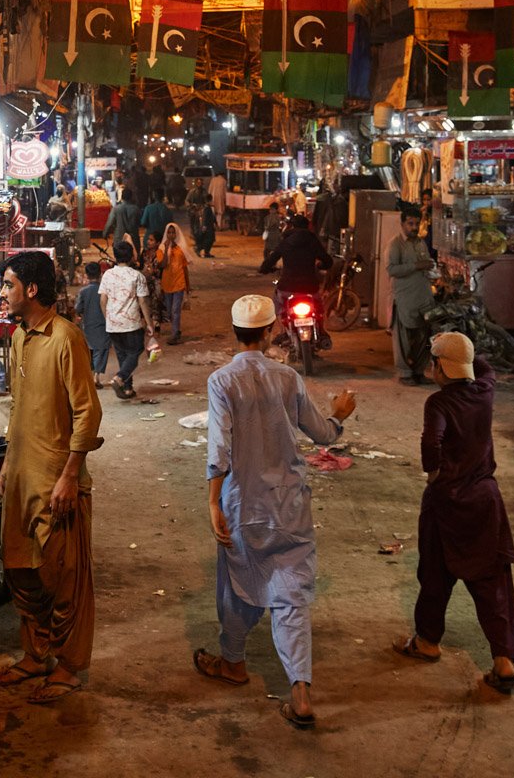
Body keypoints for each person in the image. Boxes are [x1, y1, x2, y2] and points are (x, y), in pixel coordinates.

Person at [193, 294, 355, 729]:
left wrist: (212, 501)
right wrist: (339, 416)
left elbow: (219, 447)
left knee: (239, 581)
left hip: (243, 503)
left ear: (235, 331)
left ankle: (233, 661)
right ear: (269, 332)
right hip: (290, 505)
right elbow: (321, 433)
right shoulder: (288, 377)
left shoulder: (221, 381)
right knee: (291, 595)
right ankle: (300, 689)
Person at [0, 251, 104, 704]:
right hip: (19, 478)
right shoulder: (18, 339)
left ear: (31, 290)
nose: (2, 293)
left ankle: (70, 666)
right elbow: (18, 407)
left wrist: (69, 476)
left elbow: (87, 413)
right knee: (22, 572)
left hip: (57, 481)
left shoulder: (66, 338)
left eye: (8, 284)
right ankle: (36, 656)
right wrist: (6, 468)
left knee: (64, 576)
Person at [396, 333, 514, 693]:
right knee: (491, 582)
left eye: (433, 361)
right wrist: (459, 348)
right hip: (485, 500)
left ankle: (427, 641)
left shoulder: (439, 403)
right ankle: (503, 661)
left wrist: (432, 472)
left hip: (447, 500)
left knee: (435, 571)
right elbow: (484, 366)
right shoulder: (485, 389)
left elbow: (431, 441)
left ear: (438, 367)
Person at [261, 213, 333, 343]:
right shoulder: (313, 241)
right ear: (307, 227)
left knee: (277, 303)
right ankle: (321, 331)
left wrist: (265, 269)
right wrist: (321, 265)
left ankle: (283, 331)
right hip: (310, 287)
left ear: (291, 226)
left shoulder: (285, 242)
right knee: (319, 308)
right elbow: (328, 261)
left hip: (287, 287)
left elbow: (269, 261)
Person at [99, 242, 156, 400]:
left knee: (122, 356)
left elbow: (103, 301)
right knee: (134, 352)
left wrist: (108, 318)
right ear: (132, 256)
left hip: (113, 325)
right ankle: (119, 378)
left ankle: (128, 388)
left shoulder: (107, 275)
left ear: (115, 256)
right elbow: (143, 302)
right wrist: (149, 323)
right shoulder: (137, 276)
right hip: (131, 323)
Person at [386, 207, 436, 386]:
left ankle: (419, 371)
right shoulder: (396, 244)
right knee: (403, 340)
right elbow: (391, 269)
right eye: (410, 223)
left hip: (423, 298)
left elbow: (426, 265)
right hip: (404, 299)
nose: (414, 227)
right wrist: (417, 265)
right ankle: (405, 373)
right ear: (402, 224)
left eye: (417, 223)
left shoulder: (421, 243)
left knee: (424, 337)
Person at [155, 222, 192, 344]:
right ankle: (176, 330)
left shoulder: (181, 249)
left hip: (179, 282)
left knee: (175, 310)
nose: (171, 235)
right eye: (169, 233)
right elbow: (163, 264)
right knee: (170, 311)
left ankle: (175, 334)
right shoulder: (161, 248)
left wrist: (188, 285)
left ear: (176, 234)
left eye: (173, 232)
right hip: (167, 283)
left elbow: (185, 268)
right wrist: (166, 249)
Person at [74, 262, 110, 379]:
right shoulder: (105, 290)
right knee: (101, 349)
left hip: (88, 325)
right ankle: (96, 375)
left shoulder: (83, 291)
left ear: (87, 275)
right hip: (104, 324)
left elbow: (78, 308)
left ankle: (90, 374)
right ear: (100, 274)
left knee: (90, 350)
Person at [104, 188, 143, 257]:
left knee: (120, 259)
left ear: (122, 197)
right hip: (133, 240)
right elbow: (140, 223)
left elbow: (109, 223)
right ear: (131, 197)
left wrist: (105, 234)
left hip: (119, 240)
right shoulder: (136, 209)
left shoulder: (116, 209)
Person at [140, 189, 172, 254]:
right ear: (163, 196)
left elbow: (143, 223)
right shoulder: (167, 209)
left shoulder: (148, 208)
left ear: (154, 196)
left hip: (150, 238)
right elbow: (170, 224)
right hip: (162, 238)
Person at [260, 200, 284, 267]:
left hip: (272, 235)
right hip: (273, 235)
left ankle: (268, 264)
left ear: (275, 210)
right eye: (270, 209)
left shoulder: (273, 217)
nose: (271, 210)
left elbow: (270, 225)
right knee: (271, 251)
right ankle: (271, 264)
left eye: (272, 209)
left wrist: (267, 229)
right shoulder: (276, 217)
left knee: (267, 251)